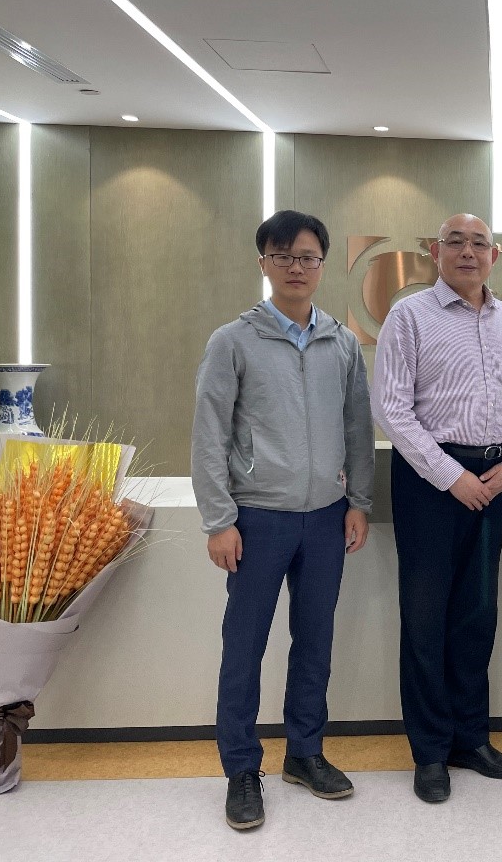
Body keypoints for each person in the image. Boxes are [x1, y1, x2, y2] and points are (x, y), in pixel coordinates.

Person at [191, 210, 374, 831]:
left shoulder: (341, 342)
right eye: (283, 255)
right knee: (244, 647)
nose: (297, 267)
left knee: (315, 641)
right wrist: (219, 519)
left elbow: (358, 428)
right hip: (256, 519)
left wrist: (358, 502)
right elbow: (209, 434)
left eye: (308, 257)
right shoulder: (233, 342)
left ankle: (305, 752)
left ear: (322, 264)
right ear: (264, 263)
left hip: (325, 518)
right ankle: (242, 769)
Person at [372, 213, 502, 803]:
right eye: (455, 242)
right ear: (435, 251)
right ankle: (430, 752)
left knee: (477, 615)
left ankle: (471, 738)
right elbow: (392, 408)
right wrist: (452, 477)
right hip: (430, 483)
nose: (468, 252)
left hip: (494, 481)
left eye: (479, 243)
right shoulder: (410, 315)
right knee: (425, 618)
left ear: (494, 254)